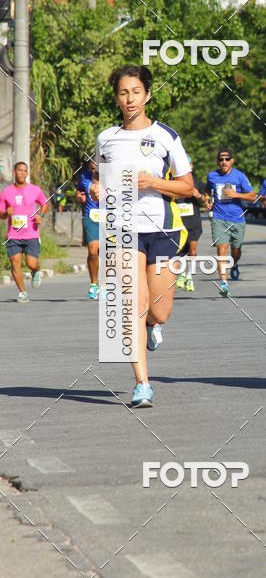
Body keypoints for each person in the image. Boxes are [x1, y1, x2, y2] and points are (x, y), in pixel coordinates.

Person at [93, 64, 193, 408]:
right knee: (132, 306)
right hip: (123, 229)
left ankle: (153, 325)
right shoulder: (106, 138)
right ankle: (142, 384)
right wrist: (97, 188)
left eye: (136, 91)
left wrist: (153, 182)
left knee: (159, 311)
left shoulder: (166, 136)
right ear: (116, 98)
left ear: (147, 95)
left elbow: (187, 187)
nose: (130, 98)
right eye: (123, 92)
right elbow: (101, 179)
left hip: (163, 229)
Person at [205, 149, 256, 297]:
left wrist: (236, 194)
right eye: (221, 159)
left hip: (237, 219)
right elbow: (207, 191)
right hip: (219, 219)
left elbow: (253, 196)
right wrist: (207, 200)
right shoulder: (212, 176)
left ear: (232, 160)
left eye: (227, 159)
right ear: (218, 161)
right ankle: (224, 284)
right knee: (222, 249)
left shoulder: (239, 176)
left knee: (236, 250)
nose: (224, 162)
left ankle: (234, 263)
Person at [0, 162, 49, 303]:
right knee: (15, 262)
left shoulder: (34, 190)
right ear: (14, 173)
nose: (23, 173)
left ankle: (35, 270)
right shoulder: (6, 192)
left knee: (31, 263)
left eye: (25, 171)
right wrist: (6, 213)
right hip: (13, 235)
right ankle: (22, 292)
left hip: (31, 234)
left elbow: (45, 203)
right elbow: (1, 213)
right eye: (20, 170)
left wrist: (41, 215)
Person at [175, 155, 206, 292]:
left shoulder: (197, 182)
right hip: (179, 221)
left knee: (192, 251)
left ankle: (189, 276)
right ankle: (182, 274)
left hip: (193, 221)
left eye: (187, 164)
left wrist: (198, 195)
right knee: (180, 251)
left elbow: (206, 199)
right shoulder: (173, 181)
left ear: (191, 167)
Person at [76, 158, 101, 299]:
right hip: (91, 216)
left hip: (109, 217)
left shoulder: (112, 175)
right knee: (93, 251)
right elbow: (79, 191)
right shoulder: (84, 176)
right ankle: (93, 283)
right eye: (92, 168)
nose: (94, 171)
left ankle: (106, 285)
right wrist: (80, 197)